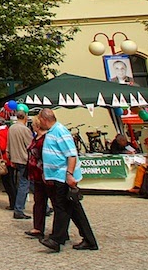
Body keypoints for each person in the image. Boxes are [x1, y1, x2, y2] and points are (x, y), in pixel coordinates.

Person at [37, 108, 98, 252]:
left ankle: (56, 239)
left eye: (40, 119)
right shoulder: (52, 132)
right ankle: (89, 240)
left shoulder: (60, 131)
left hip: (63, 176)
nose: (39, 122)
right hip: (57, 175)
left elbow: (71, 154)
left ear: (45, 119)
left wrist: (69, 174)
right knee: (74, 210)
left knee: (61, 207)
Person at [24, 115, 49, 239]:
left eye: (33, 124)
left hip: (45, 173)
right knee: (38, 202)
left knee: (55, 202)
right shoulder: (36, 137)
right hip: (36, 174)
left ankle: (60, 232)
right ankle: (38, 228)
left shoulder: (45, 138)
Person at [8, 111, 33, 219]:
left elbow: (8, 145)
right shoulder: (24, 129)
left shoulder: (11, 128)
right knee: (24, 184)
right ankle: (18, 209)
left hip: (16, 158)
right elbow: (31, 145)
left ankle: (44, 207)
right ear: (25, 117)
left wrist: (11, 158)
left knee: (31, 183)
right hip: (24, 159)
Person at [0, 117, 16, 211]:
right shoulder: (6, 130)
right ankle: (15, 202)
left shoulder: (0, 133)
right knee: (10, 182)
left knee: (8, 183)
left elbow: (1, 147)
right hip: (8, 159)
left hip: (4, 160)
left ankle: (13, 203)